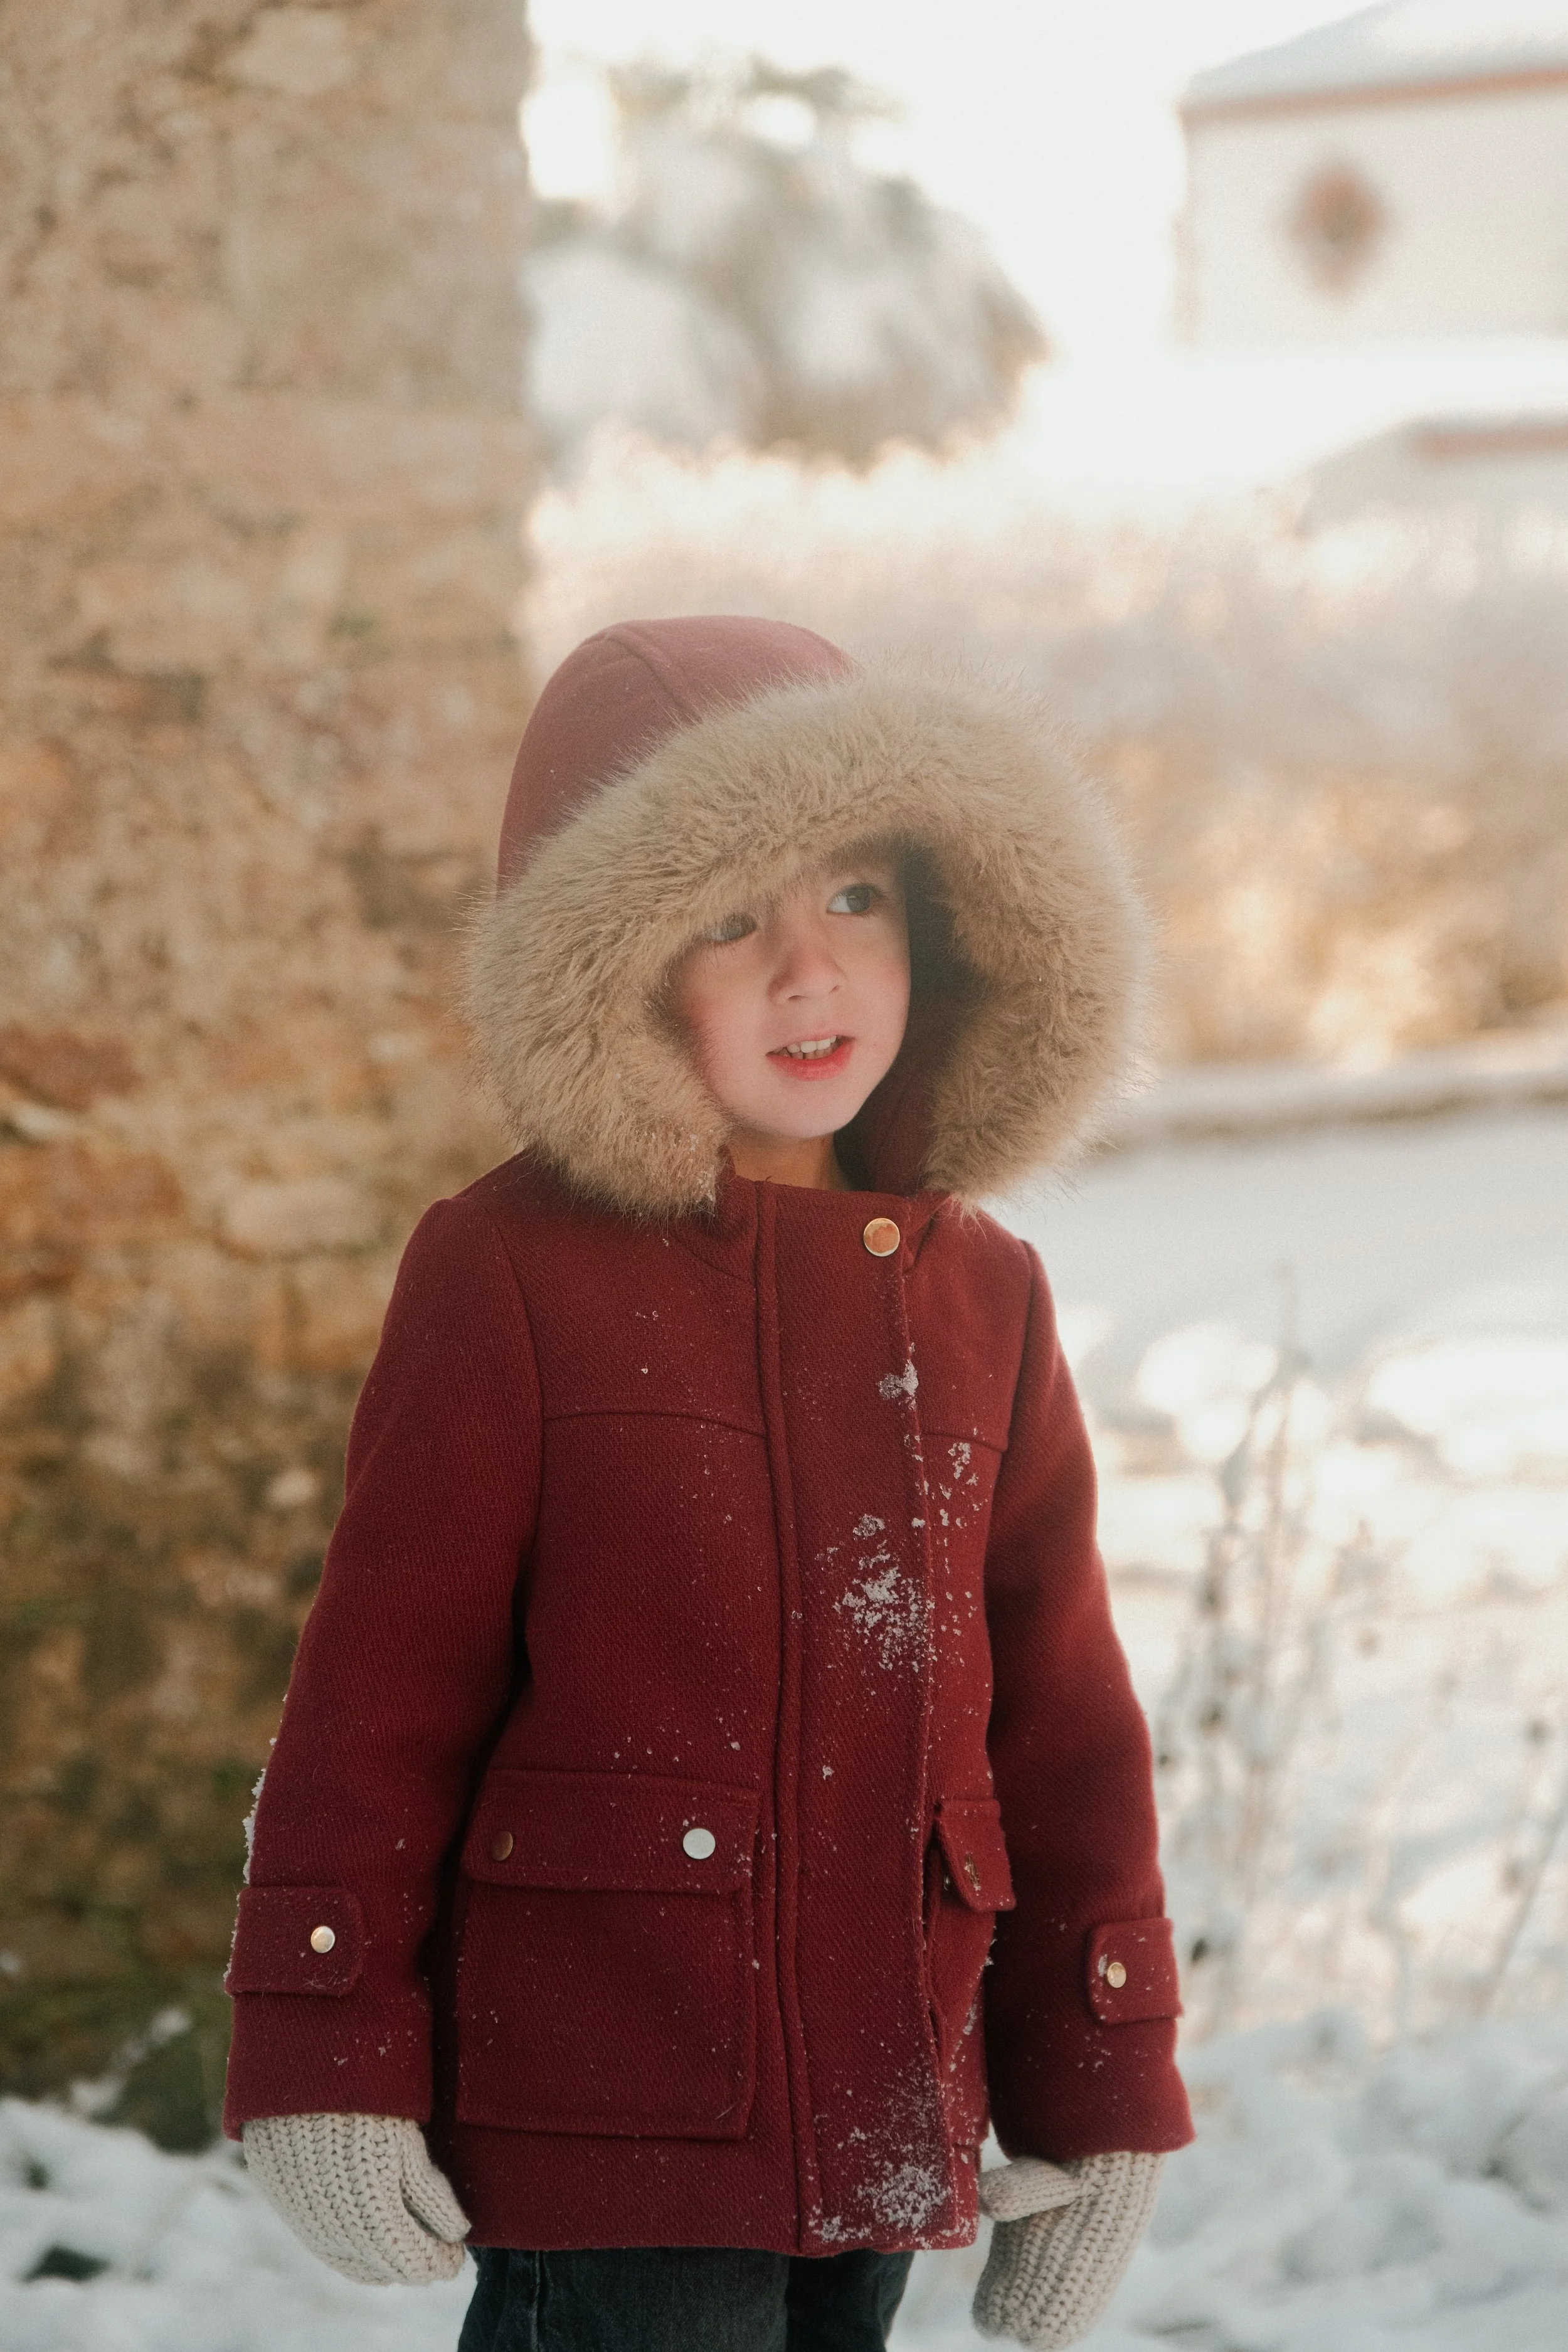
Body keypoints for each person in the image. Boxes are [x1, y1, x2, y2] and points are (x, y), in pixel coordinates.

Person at [223, 617, 1194, 2350]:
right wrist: (323, 2040)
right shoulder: (510, 1270)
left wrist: (1097, 2090)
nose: (806, 976)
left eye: (851, 900)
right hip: (608, 2110)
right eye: (727, 919)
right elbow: (381, 1688)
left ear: (946, 918)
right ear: (610, 963)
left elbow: (1058, 1717)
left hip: (884, 2088)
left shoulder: (984, 1291)